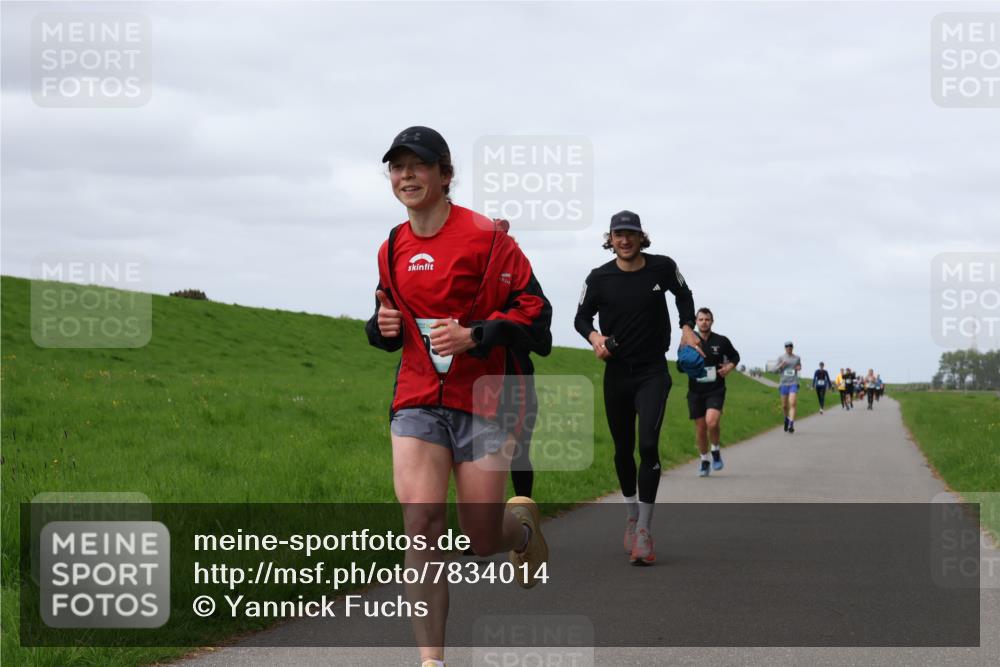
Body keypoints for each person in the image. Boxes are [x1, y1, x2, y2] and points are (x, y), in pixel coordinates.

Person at [366, 126, 552, 667]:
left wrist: (478, 334)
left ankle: (520, 533)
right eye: (397, 167)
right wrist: (379, 328)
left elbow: (536, 316)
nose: (406, 176)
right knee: (421, 524)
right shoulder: (392, 247)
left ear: (446, 175)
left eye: (418, 166)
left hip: (483, 400)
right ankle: (432, 662)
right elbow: (388, 322)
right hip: (417, 400)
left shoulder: (489, 239)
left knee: (480, 536)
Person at [574, 210, 699, 565]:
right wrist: (595, 337)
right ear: (610, 239)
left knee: (647, 444)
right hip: (617, 371)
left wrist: (687, 326)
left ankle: (644, 528)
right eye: (618, 234)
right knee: (623, 449)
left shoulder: (662, 267)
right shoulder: (599, 278)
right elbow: (581, 318)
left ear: (641, 236)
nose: (624, 240)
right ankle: (631, 514)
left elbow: (684, 293)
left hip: (652, 371)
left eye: (630, 234)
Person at [686, 307, 740, 477]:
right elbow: (680, 365)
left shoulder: (721, 341)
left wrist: (729, 367)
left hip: (715, 389)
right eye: (701, 319)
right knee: (701, 429)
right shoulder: (689, 341)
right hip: (695, 391)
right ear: (696, 321)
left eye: (707, 319)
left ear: (712, 321)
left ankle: (715, 450)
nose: (704, 322)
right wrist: (688, 365)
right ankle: (704, 460)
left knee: (712, 422)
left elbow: (735, 356)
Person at [775, 341, 802, 433]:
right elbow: (774, 370)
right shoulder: (781, 358)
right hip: (783, 383)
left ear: (792, 348)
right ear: (785, 348)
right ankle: (786, 419)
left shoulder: (797, 358)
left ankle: (791, 424)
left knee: (793, 403)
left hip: (793, 382)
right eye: (787, 347)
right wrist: (781, 366)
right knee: (784, 406)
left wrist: (798, 368)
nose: (789, 348)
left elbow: (799, 366)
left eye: (790, 347)